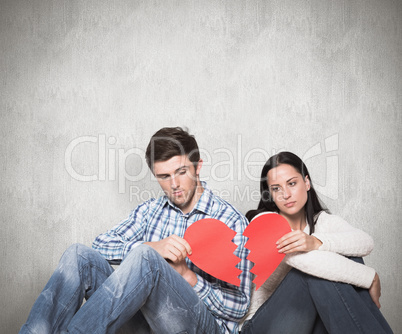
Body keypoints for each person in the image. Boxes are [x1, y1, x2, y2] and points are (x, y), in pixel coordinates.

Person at [19, 127, 252, 334]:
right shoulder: (150, 211)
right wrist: (153, 246)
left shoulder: (231, 221)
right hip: (146, 323)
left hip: (201, 325)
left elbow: (240, 306)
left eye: (181, 172)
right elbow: (100, 245)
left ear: (198, 166)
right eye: (164, 176)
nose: (174, 184)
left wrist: (186, 276)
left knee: (146, 258)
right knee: (79, 255)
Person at [240, 151, 393, 334]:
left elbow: (365, 242)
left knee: (350, 259)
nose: (286, 194)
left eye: (292, 183)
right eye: (276, 188)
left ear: (307, 182)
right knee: (315, 272)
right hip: (261, 326)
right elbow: (310, 264)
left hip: (307, 322)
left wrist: (316, 241)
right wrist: (370, 277)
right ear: (270, 195)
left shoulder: (322, 221)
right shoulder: (264, 222)